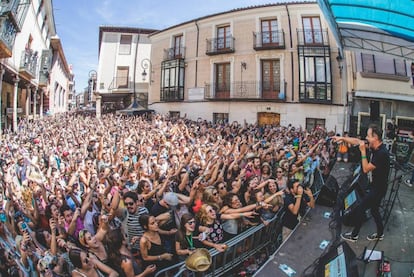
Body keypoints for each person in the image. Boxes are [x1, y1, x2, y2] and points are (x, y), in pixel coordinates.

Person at [333, 124, 390, 242]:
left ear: (375, 137)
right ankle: (380, 234)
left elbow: (365, 169)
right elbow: (357, 141)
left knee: (360, 208)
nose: (366, 138)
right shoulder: (375, 146)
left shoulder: (382, 154)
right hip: (376, 185)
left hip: (378, 188)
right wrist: (342, 139)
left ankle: (354, 235)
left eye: (368, 136)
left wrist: (363, 152)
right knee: (374, 210)